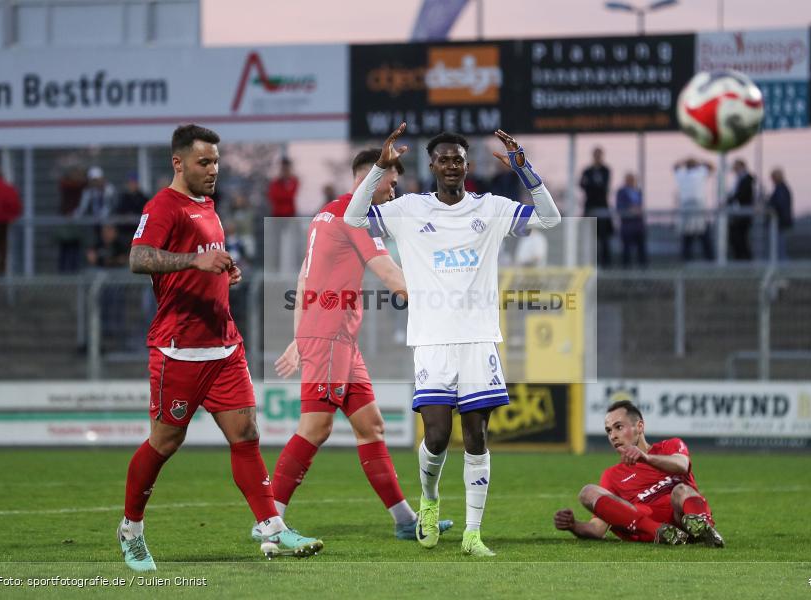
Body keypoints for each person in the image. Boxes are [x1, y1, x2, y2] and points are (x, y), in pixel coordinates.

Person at [344, 123, 561, 556]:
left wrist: (524, 169)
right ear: (432, 165)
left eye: (458, 159)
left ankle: (472, 532)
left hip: (479, 340)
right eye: (443, 159)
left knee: (477, 435)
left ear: (467, 165)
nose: (451, 165)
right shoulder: (409, 209)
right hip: (432, 340)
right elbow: (353, 219)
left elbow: (551, 218)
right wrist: (379, 170)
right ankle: (428, 499)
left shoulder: (491, 208)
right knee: (438, 435)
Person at [118, 124, 309, 573]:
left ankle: (273, 526)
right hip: (178, 349)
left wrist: (224, 270)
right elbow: (138, 258)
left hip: (224, 346)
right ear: (178, 162)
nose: (213, 170)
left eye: (217, 162)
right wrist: (194, 261)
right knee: (165, 442)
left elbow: (205, 260)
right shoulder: (163, 206)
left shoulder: (207, 206)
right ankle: (131, 530)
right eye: (204, 162)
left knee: (246, 435)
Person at [261, 149, 453, 549]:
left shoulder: (325, 213)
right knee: (316, 427)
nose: (394, 192)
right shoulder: (356, 216)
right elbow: (389, 275)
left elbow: (303, 276)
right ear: (374, 177)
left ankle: (404, 520)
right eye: (392, 183)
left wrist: (299, 337)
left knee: (371, 426)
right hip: (331, 336)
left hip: (334, 337)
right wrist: (442, 298)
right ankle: (271, 520)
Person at [553, 400, 724, 547]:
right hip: (649, 525)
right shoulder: (612, 475)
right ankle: (660, 532)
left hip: (683, 517)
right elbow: (597, 528)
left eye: (618, 427)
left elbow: (682, 465)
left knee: (681, 490)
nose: (613, 436)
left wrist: (646, 458)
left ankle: (706, 530)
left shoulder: (669, 446)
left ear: (639, 426)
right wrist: (574, 526)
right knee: (588, 491)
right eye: (609, 431)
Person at [673, 158, 714, 262]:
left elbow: (711, 167)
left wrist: (695, 162)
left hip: (697, 208)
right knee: (689, 237)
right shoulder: (684, 174)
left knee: (703, 236)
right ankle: (687, 261)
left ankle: (709, 260)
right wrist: (688, 161)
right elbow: (675, 166)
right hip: (688, 208)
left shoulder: (698, 172)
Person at [580, 147, 613, 267]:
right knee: (589, 238)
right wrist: (594, 186)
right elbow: (583, 185)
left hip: (602, 208)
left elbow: (603, 187)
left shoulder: (606, 170)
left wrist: (592, 185)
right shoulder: (587, 171)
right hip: (590, 208)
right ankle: (590, 263)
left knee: (604, 238)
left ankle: (606, 265)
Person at [268, 157, 300, 274]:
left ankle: (294, 268)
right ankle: (276, 269)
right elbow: (273, 197)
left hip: (290, 216)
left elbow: (290, 195)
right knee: (277, 244)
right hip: (277, 216)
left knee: (292, 243)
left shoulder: (294, 181)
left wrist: (284, 195)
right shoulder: (275, 183)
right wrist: (284, 194)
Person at [615, 173, 647, 268]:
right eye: (629, 179)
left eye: (632, 179)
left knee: (641, 249)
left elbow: (640, 206)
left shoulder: (638, 191)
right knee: (626, 250)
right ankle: (626, 272)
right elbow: (619, 207)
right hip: (627, 226)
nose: (631, 181)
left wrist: (638, 210)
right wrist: (629, 209)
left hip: (638, 225)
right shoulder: (621, 192)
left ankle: (643, 271)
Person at [727, 159, 754, 261]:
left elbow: (741, 195)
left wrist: (729, 200)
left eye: (736, 166)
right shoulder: (739, 179)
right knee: (737, 238)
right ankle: (741, 259)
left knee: (740, 238)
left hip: (743, 215)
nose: (734, 169)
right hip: (738, 214)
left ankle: (744, 261)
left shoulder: (747, 179)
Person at [115, 173, 149, 246]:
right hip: (125, 231)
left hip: (139, 231)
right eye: (131, 182)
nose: (132, 185)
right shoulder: (123, 198)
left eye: (134, 182)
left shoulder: (143, 198)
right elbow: (119, 212)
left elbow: (146, 214)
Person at [767, 168, 793, 261]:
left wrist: (769, 206)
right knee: (779, 245)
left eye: (772, 177)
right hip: (781, 221)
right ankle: (781, 263)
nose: (771, 179)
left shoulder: (780, 189)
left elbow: (779, 204)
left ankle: (782, 265)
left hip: (779, 222)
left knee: (779, 245)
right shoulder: (782, 188)